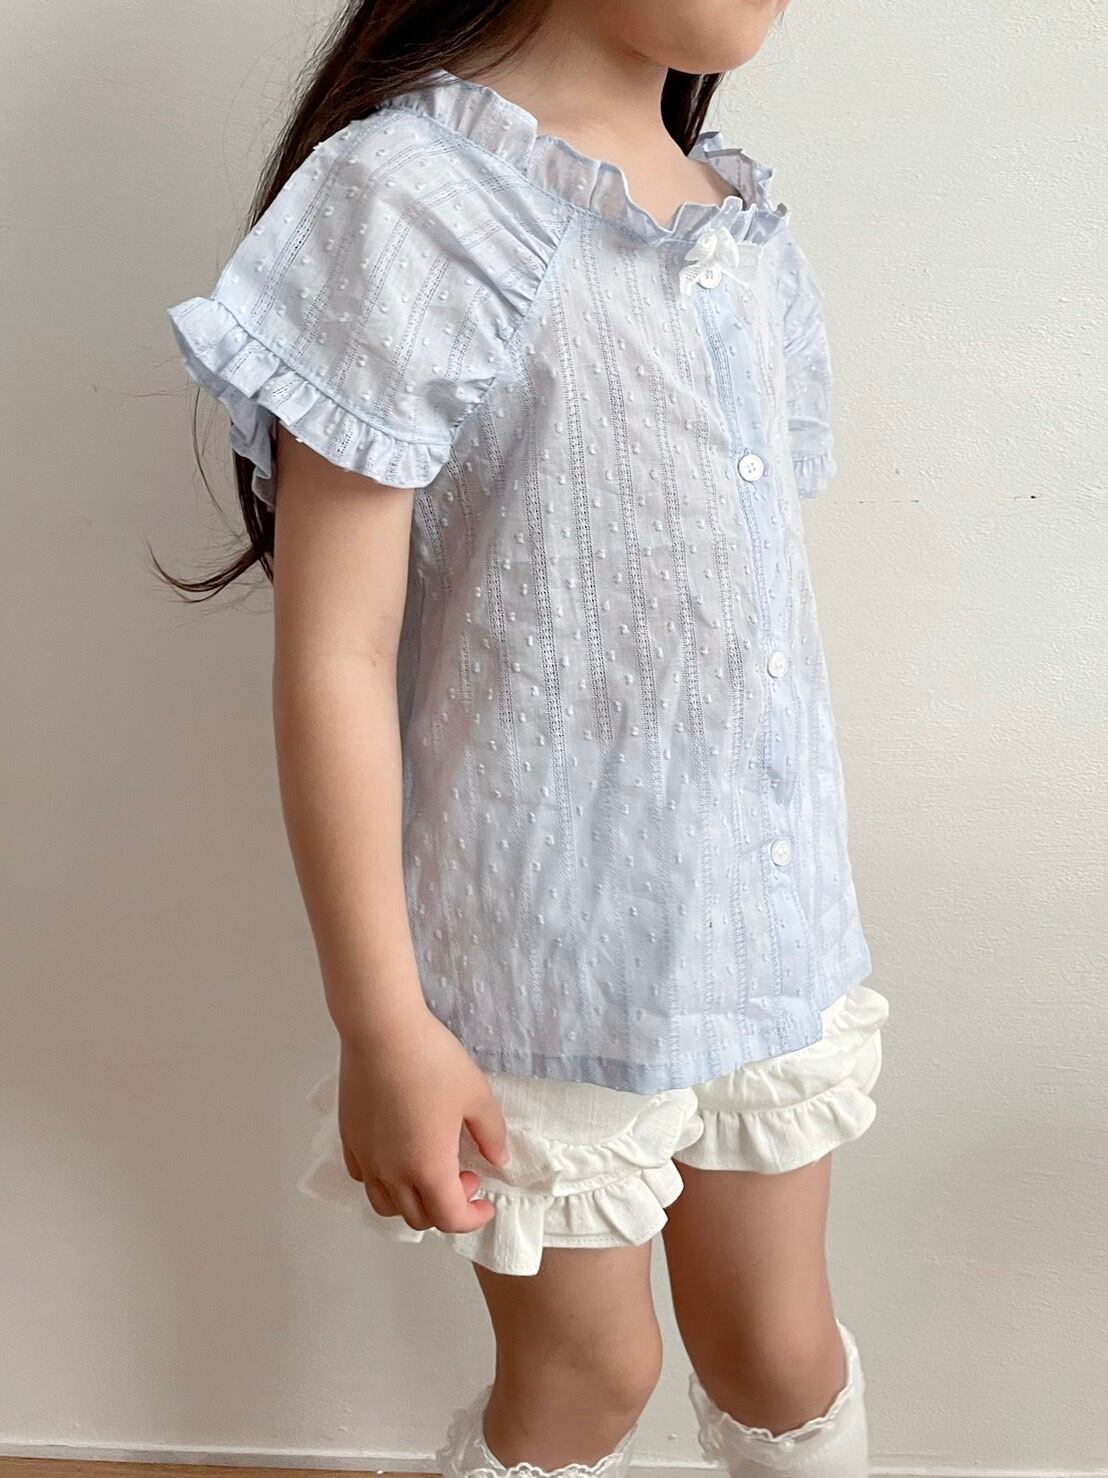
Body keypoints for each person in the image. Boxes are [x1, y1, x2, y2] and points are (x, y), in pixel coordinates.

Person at [163, 3, 889, 1475]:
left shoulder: (738, 222)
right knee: (588, 1375)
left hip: (769, 925)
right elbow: (335, 652)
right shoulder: (410, 198)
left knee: (780, 1347)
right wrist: (383, 1024)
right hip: (544, 955)